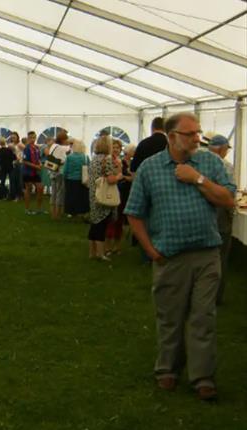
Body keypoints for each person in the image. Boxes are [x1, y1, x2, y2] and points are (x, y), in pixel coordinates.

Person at [124, 113, 235, 401]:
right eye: (190, 134)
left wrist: (196, 178)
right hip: (170, 257)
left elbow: (227, 200)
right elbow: (134, 212)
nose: (197, 138)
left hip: (208, 254)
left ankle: (202, 377)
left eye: (198, 132)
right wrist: (149, 250)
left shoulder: (210, 163)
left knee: (203, 317)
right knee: (170, 318)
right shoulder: (150, 168)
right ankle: (168, 370)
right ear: (171, 137)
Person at [207, 134, 235, 305]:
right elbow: (229, 194)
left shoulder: (199, 163)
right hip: (220, 213)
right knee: (221, 256)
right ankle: (216, 296)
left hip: (204, 212)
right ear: (222, 149)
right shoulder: (226, 166)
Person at [87, 136, 121, 261]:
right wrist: (119, 176)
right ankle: (101, 253)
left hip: (93, 194)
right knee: (101, 225)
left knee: (94, 224)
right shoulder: (107, 160)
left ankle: (92, 252)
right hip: (104, 195)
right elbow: (110, 179)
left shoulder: (94, 159)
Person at [105, 140, 132, 254]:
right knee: (110, 220)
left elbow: (130, 176)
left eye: (118, 147)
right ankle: (107, 246)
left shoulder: (124, 162)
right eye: (114, 147)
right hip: (110, 192)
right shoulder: (107, 161)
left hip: (123, 193)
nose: (116, 149)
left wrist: (125, 176)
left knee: (119, 221)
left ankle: (117, 246)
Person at [46, 132, 71, 219]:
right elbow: (63, 160)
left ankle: (53, 213)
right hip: (59, 172)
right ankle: (57, 214)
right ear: (63, 139)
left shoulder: (53, 146)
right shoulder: (61, 148)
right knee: (60, 192)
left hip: (51, 171)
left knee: (53, 192)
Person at [63, 139, 89, 216]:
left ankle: (71, 212)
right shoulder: (85, 157)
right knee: (81, 197)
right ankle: (81, 211)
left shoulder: (69, 157)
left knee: (71, 196)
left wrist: (65, 177)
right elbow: (89, 168)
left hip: (70, 179)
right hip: (82, 179)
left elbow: (65, 170)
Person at [22, 131, 43, 214]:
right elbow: (25, 161)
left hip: (35, 172)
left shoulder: (37, 148)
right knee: (28, 188)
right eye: (30, 138)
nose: (32, 139)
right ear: (28, 138)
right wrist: (36, 166)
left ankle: (39, 208)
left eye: (34, 137)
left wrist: (40, 163)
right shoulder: (26, 148)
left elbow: (38, 159)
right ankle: (27, 209)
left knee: (40, 188)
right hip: (27, 171)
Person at [8, 132, 24, 201]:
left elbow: (25, 151)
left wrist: (20, 158)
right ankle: (12, 195)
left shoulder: (20, 144)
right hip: (12, 163)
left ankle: (19, 195)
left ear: (17, 137)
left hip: (19, 163)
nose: (13, 138)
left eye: (14, 137)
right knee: (12, 180)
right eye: (12, 137)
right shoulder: (10, 145)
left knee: (19, 180)